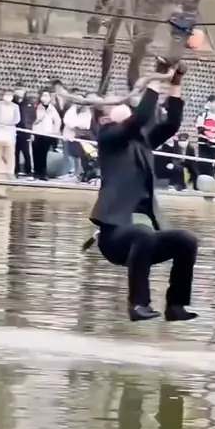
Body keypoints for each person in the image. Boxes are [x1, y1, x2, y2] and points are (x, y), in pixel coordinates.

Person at [89, 58, 198, 322]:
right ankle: (138, 305)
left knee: (186, 240)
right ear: (105, 116)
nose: (124, 104)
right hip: (115, 237)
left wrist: (175, 82)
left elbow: (171, 123)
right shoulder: (109, 139)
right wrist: (156, 77)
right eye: (118, 105)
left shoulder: (143, 141)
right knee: (143, 234)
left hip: (144, 237)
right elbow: (140, 119)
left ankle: (176, 306)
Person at [30, 90, 61, 180]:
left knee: (44, 154)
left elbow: (57, 121)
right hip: (37, 133)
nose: (45, 98)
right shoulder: (36, 107)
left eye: (47, 96)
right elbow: (32, 120)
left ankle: (43, 173)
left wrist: (55, 131)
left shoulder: (52, 108)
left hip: (47, 134)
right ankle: (36, 173)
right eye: (43, 95)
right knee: (36, 153)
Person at [0, 91, 19, 176]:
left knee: (10, 152)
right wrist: (0, 123)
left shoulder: (15, 106)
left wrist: (9, 123)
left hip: (10, 131)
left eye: (10, 95)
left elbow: (17, 119)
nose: (8, 97)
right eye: (7, 95)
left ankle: (10, 170)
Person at [195, 95, 215, 179]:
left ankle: (210, 178)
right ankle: (200, 179)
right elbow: (199, 126)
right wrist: (206, 133)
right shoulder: (203, 114)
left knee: (212, 162)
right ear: (209, 103)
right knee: (203, 161)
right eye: (213, 102)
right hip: (203, 141)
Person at [13, 88, 34, 178]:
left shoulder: (28, 103)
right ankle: (16, 170)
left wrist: (30, 131)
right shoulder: (13, 102)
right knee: (15, 152)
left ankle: (28, 171)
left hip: (25, 131)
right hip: (14, 130)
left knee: (26, 152)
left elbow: (32, 117)